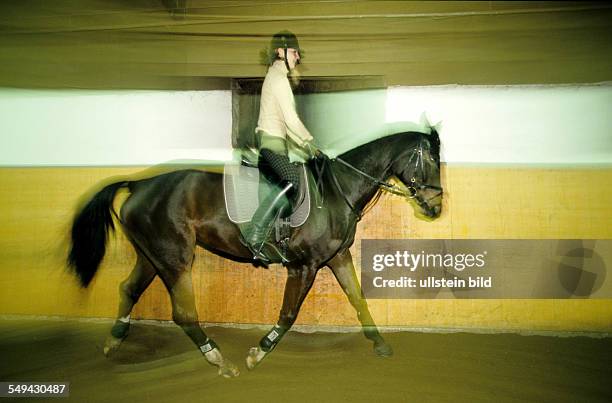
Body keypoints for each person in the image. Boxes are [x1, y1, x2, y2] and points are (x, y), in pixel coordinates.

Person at [243, 30, 318, 264]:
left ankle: (279, 237)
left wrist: (303, 145)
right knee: (293, 180)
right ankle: (255, 231)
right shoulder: (278, 78)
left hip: (278, 146)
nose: (297, 57)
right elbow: (290, 119)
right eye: (294, 52)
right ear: (280, 51)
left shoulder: (275, 76)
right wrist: (311, 144)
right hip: (271, 149)